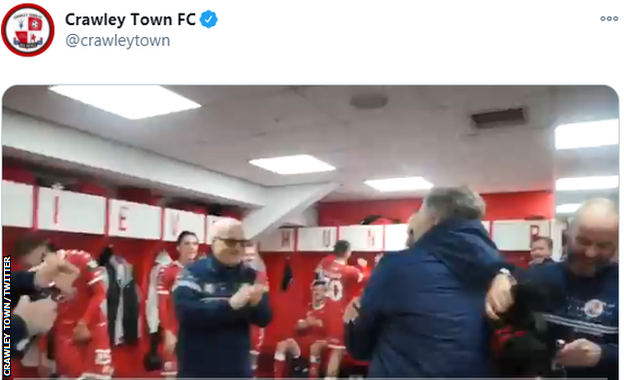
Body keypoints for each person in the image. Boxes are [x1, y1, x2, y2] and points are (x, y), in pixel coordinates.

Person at [344, 186, 507, 377]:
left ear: (434, 220)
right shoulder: (497, 270)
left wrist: (351, 321)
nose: (412, 219)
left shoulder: (396, 266)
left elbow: (360, 347)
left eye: (418, 211)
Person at [487, 198, 618, 380]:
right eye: (583, 241)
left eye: (603, 245)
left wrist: (604, 354)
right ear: (567, 236)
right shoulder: (538, 276)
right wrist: (502, 275)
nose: (591, 253)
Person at [174, 218, 273, 378]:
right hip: (198, 369)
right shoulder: (192, 273)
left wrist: (257, 303)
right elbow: (185, 314)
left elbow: (265, 319)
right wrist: (230, 305)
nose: (237, 248)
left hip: (237, 369)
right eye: (231, 242)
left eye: (242, 243)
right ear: (214, 242)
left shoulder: (251, 276)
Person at [48, 249, 113, 379]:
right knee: (70, 375)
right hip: (65, 333)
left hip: (93, 328)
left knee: (98, 376)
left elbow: (100, 292)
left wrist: (84, 322)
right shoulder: (37, 274)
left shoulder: (82, 260)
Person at [315, 240, 365, 379]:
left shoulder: (326, 264)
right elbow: (363, 277)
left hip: (327, 311)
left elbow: (319, 271)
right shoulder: (349, 271)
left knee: (335, 349)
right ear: (348, 252)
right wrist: (362, 265)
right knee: (336, 353)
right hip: (339, 315)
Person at [156, 230, 199, 378]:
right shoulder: (167, 271)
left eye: (195, 243)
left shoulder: (203, 271)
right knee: (173, 375)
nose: (192, 247)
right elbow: (162, 305)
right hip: (175, 333)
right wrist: (168, 332)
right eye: (187, 243)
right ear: (178, 248)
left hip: (198, 334)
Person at [273, 280, 327, 378]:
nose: (317, 293)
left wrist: (315, 323)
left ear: (325, 292)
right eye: (315, 290)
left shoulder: (328, 309)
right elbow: (297, 326)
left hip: (318, 346)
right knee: (282, 344)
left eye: (320, 290)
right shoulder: (306, 308)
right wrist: (306, 323)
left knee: (315, 347)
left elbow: (331, 329)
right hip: (301, 347)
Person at [243, 246, 269, 377]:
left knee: (253, 357)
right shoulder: (233, 274)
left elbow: (263, 302)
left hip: (254, 323)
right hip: (237, 321)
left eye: (252, 254)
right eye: (246, 254)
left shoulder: (260, 275)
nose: (249, 257)